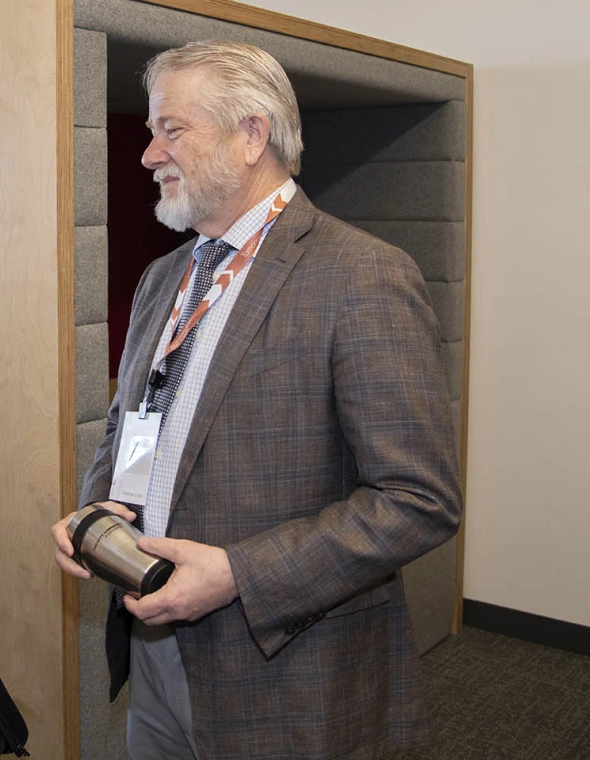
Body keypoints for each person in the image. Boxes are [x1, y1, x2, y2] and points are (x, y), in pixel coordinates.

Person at [52, 42, 461, 759]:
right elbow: (132, 422)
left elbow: (417, 498)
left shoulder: (362, 275)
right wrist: (99, 508)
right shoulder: (163, 278)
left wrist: (239, 574)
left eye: (171, 130)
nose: (149, 154)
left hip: (285, 666)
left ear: (251, 134)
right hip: (152, 644)